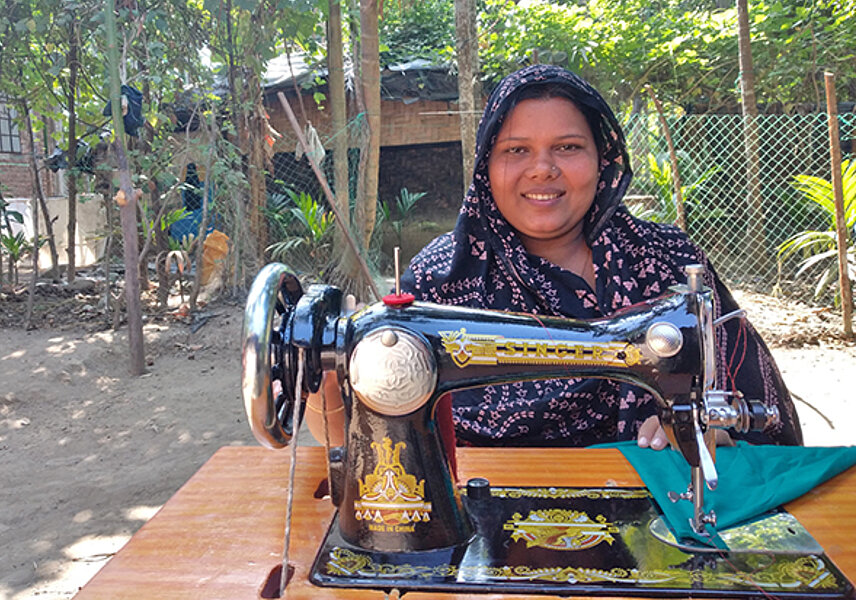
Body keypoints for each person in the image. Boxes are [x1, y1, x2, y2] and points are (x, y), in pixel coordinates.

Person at [307, 64, 802, 452]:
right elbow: (354, 435)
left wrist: (707, 430)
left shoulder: (670, 261)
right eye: (516, 150)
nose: (542, 169)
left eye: (567, 147)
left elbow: (761, 411)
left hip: (649, 510)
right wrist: (323, 368)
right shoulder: (439, 281)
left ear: (603, 159)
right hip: (483, 523)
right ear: (486, 167)